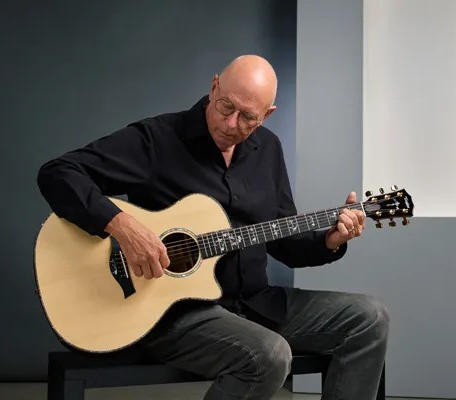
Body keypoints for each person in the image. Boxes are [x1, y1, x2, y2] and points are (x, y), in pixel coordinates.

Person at [37, 55, 388, 400]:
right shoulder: (157, 140)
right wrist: (123, 226)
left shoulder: (268, 149)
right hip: (174, 313)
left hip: (256, 304)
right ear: (214, 86)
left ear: (267, 115)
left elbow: (287, 245)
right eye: (226, 107)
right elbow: (59, 173)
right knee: (269, 355)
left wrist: (331, 240)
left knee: (370, 318)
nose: (231, 124)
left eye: (248, 117)